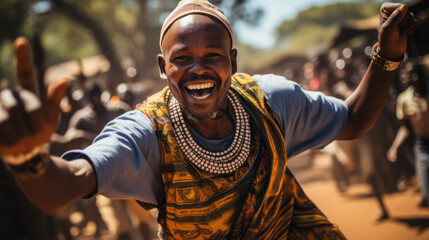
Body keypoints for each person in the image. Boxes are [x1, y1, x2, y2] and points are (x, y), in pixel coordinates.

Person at [0, 0, 418, 239]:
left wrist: (387, 56)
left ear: (232, 61)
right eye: (182, 59)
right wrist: (28, 161)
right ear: (163, 68)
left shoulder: (270, 101)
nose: (198, 70)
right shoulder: (144, 133)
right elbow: (63, 185)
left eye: (212, 56)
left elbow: (353, 120)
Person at [387, 62, 429, 207]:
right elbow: (406, 128)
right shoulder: (404, 100)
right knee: (426, 186)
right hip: (422, 146)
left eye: (418, 73)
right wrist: (395, 147)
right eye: (412, 75)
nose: (416, 78)